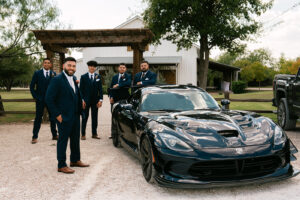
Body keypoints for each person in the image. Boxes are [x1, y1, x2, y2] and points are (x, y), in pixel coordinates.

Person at [46, 57, 89, 174]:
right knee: (63, 140)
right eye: (69, 65)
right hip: (63, 116)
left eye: (74, 66)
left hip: (75, 115)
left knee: (75, 140)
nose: (71, 68)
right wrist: (57, 115)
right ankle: (61, 165)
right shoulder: (57, 80)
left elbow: (74, 93)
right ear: (63, 66)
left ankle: (75, 160)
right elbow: (49, 99)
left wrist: (81, 101)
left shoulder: (74, 78)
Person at [30, 58, 58, 144]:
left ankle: (54, 135)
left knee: (53, 118)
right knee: (38, 118)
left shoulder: (53, 74)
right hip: (40, 100)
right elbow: (31, 87)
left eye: (48, 63)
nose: (46, 64)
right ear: (43, 64)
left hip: (50, 100)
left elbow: (56, 87)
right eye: (45, 63)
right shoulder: (37, 73)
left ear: (50, 64)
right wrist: (36, 97)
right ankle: (34, 137)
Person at [80, 60, 103, 140]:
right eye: (90, 66)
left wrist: (100, 100)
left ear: (95, 68)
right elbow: (81, 90)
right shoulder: (83, 77)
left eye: (93, 66)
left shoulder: (98, 77)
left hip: (95, 101)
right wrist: (82, 100)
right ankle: (83, 134)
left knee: (94, 117)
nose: (92, 67)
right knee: (84, 117)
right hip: (86, 101)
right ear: (88, 67)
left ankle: (94, 133)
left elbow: (100, 89)